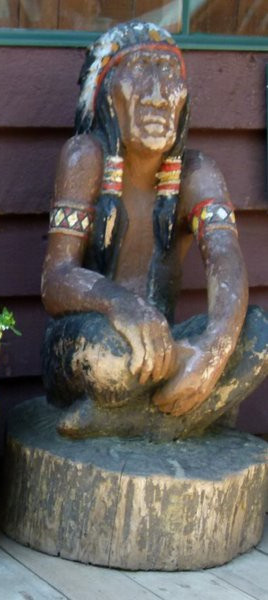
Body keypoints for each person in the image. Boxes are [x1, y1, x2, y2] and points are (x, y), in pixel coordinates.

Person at [41, 21, 266, 441]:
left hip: (164, 350)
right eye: (140, 73)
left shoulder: (197, 172)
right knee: (111, 362)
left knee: (258, 336)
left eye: (169, 78)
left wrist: (214, 351)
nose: (158, 96)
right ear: (106, 96)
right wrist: (122, 306)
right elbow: (55, 279)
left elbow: (226, 258)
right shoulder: (84, 157)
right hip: (93, 341)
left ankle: (127, 421)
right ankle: (193, 413)